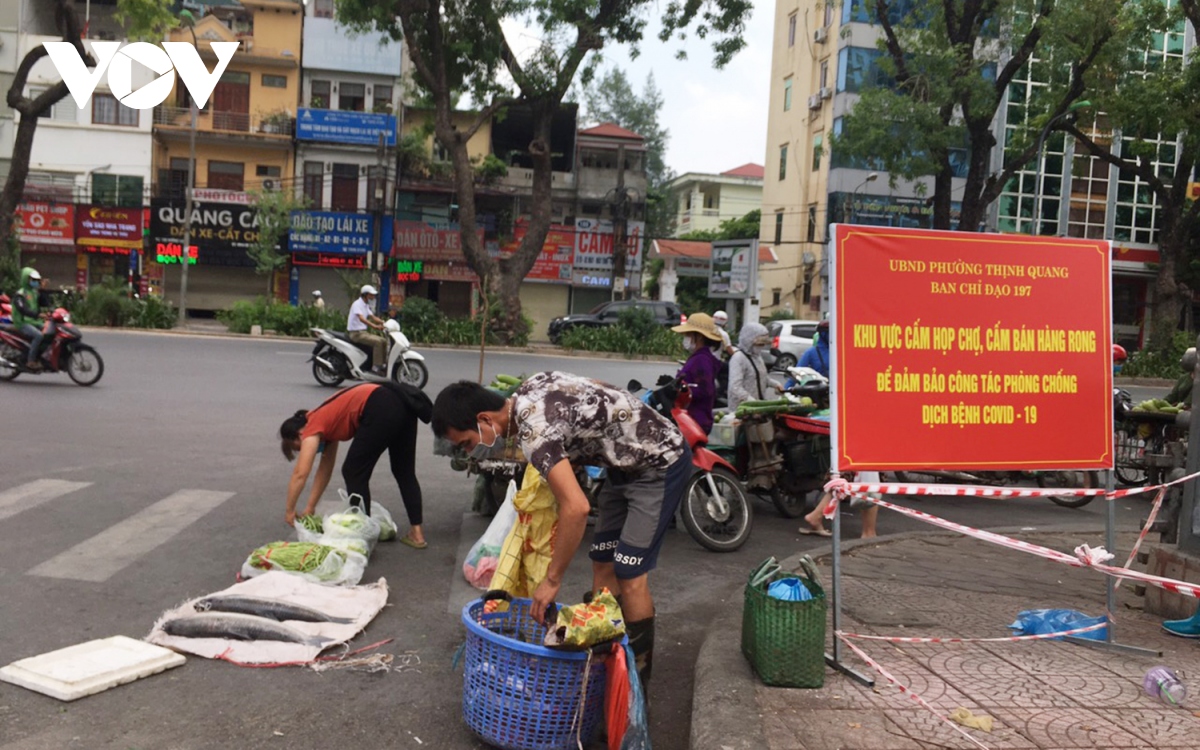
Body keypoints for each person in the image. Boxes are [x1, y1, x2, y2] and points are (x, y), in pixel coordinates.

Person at [432, 372, 692, 687]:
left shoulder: (534, 433)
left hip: (660, 462)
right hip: (623, 466)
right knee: (602, 561)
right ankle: (606, 664)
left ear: (484, 419)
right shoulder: (529, 388)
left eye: (469, 442)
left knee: (629, 572)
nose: (473, 450)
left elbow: (577, 507)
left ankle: (636, 684)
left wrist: (551, 581)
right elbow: (590, 397)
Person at [279, 381, 431, 548]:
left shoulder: (312, 426)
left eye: (299, 447)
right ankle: (417, 533)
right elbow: (324, 471)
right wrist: (310, 507)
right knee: (404, 471)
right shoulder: (326, 425)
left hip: (379, 404)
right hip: (402, 405)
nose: (309, 450)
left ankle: (364, 534)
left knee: (353, 471)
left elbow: (300, 474)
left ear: (299, 434)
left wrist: (289, 510)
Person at [672, 312, 723, 434]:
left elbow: (705, 390)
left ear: (699, 336)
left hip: (695, 421)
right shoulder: (699, 357)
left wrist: (683, 389)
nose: (686, 337)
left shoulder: (702, 360)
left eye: (688, 334)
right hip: (691, 420)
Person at [11, 267, 46, 371]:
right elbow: (23, 309)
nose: (35, 282)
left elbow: (44, 303)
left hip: (33, 321)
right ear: (26, 279)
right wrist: (37, 315)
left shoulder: (34, 292)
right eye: (33, 280)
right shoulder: (20, 294)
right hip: (22, 322)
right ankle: (30, 361)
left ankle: (40, 356)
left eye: (37, 280)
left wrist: (42, 290)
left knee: (49, 331)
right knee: (38, 336)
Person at [348, 285, 387, 374]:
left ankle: (383, 364)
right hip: (356, 334)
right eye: (371, 295)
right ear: (365, 295)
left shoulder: (365, 305)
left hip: (363, 333)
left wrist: (384, 323)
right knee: (378, 342)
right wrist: (374, 326)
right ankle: (376, 367)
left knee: (384, 341)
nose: (373, 297)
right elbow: (361, 318)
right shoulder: (357, 304)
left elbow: (373, 317)